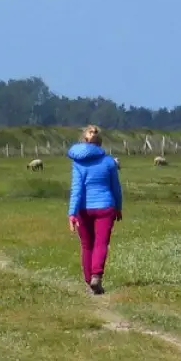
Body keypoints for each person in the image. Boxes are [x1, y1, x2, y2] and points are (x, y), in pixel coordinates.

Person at [66, 124, 123, 295]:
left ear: (84, 140)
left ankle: (87, 280)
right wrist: (118, 207)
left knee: (86, 245)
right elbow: (116, 188)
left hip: (83, 209)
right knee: (101, 243)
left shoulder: (78, 163)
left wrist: (72, 213)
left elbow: (76, 190)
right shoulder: (109, 161)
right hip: (105, 206)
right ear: (100, 142)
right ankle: (96, 277)